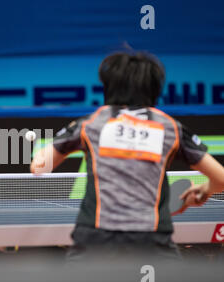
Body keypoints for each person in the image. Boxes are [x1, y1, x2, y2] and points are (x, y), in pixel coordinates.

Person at [30, 51, 224, 262]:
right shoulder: (171, 127)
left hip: (95, 242)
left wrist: (59, 141)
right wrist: (206, 189)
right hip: (152, 242)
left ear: (109, 87)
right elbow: (221, 179)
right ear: (154, 88)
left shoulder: (90, 123)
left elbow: (39, 167)